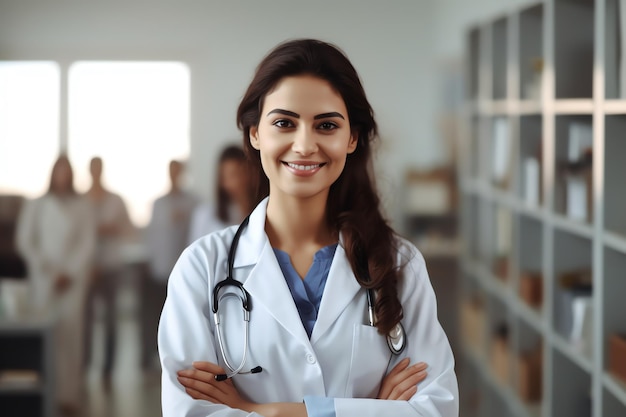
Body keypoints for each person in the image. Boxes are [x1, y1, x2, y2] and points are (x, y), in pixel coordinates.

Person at [158, 39, 458, 417]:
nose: (304, 145)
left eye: (326, 125)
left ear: (351, 139)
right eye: (284, 123)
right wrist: (367, 411)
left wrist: (264, 411)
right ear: (254, 133)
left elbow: (436, 409)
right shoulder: (201, 269)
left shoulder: (399, 264)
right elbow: (190, 412)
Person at [15, 155, 95, 416]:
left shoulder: (82, 206)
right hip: (44, 280)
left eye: (66, 171)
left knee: (71, 338)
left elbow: (87, 243)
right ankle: (44, 391)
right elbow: (25, 241)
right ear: (52, 174)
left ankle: (68, 395)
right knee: (46, 337)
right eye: (58, 171)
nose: (62, 176)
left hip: (72, 282)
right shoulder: (37, 205)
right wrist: (48, 271)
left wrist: (68, 272)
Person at [83, 157, 135, 386]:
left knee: (112, 320)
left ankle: (108, 371)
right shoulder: (81, 200)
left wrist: (113, 229)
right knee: (85, 320)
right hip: (86, 268)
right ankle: (84, 367)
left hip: (112, 267)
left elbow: (130, 229)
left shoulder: (116, 200)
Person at [143, 160, 198, 369]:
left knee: (182, 316)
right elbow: (152, 236)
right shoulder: (159, 204)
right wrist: (150, 260)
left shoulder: (193, 203)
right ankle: (156, 357)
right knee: (158, 315)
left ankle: (181, 357)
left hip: (183, 269)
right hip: (160, 268)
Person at [188, 145, 254, 244]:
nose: (234, 183)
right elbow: (193, 252)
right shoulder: (205, 214)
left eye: (237, 174)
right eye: (227, 177)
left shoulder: (260, 212)